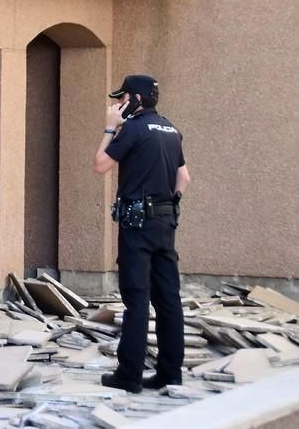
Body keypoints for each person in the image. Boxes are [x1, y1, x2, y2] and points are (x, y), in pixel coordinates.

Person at [94, 74, 190, 393]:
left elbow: (100, 165)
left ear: (135, 100)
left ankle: (130, 374)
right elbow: (184, 178)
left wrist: (110, 127)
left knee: (137, 300)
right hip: (165, 224)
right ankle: (170, 373)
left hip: (137, 225)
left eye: (121, 99)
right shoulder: (171, 130)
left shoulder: (132, 129)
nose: (117, 104)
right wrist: (169, 207)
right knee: (168, 300)